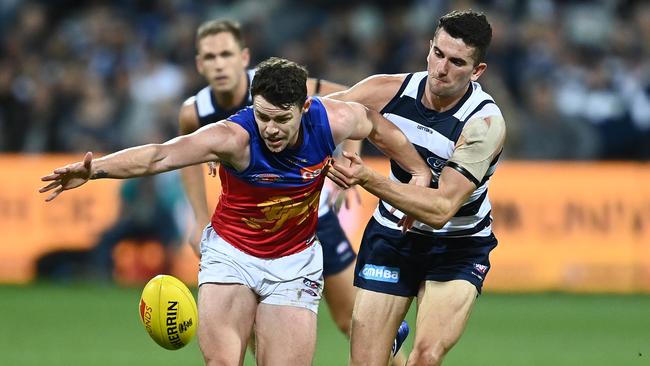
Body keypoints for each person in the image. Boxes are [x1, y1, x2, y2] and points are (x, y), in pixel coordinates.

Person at [39, 57, 430, 366]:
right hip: (232, 256)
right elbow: (160, 155)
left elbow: (378, 126)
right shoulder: (233, 138)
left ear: (305, 108)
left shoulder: (334, 119)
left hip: (295, 264)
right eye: (262, 116)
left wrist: (417, 172)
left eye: (281, 119)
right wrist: (95, 170)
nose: (271, 129)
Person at [180, 19, 410, 364]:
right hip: (254, 232)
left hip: (311, 220)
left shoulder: (276, 86)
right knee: (257, 330)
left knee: (352, 320)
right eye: (210, 57)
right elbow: (185, 158)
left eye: (226, 54)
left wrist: (348, 155)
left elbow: (350, 103)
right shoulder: (195, 112)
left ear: (243, 57)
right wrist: (198, 215)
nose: (219, 64)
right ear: (199, 63)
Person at [327, 10, 506, 366]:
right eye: (438, 54)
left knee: (425, 357)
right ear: (429, 48)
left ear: (477, 71)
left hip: (458, 245)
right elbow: (326, 116)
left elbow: (441, 210)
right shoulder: (388, 90)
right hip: (393, 236)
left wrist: (367, 178)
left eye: (457, 62)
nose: (441, 69)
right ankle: (389, 338)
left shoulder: (483, 123)